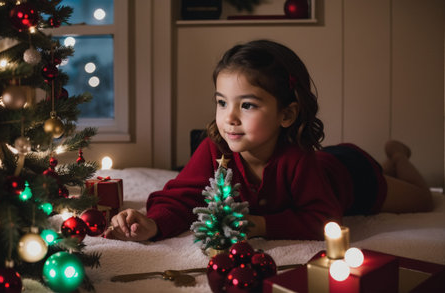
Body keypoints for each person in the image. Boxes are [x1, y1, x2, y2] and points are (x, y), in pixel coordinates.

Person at [105, 40, 432, 242]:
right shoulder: (215, 148)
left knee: (423, 200)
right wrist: (152, 224)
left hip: (352, 174)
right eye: (222, 102)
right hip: (329, 163)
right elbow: (181, 198)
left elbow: (324, 219)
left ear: (286, 115)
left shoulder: (297, 160)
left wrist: (261, 224)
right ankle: (391, 162)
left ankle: (397, 157)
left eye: (247, 105)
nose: (229, 117)